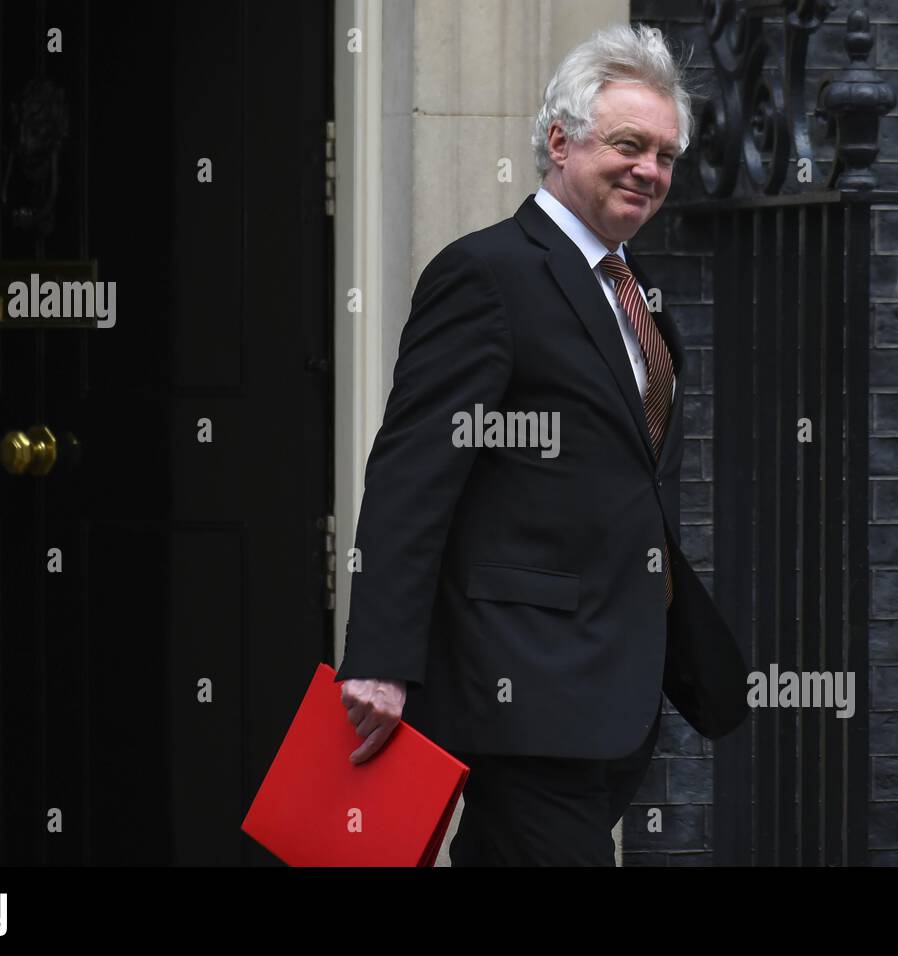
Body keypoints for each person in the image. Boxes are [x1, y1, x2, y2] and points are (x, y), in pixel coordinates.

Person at [334, 22, 748, 866]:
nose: (651, 171)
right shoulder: (489, 275)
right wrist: (378, 661)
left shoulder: (638, 302)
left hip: (614, 693)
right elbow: (413, 475)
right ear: (560, 142)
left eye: (667, 155)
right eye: (630, 145)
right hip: (519, 692)